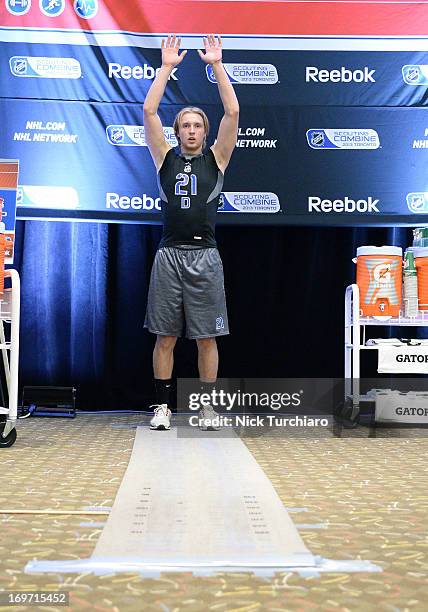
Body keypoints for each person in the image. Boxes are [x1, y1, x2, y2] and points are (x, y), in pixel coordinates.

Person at [143, 34, 239, 430]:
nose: (193, 130)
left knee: (206, 338)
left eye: (199, 125)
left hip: (205, 256)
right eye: (186, 125)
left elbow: (232, 113)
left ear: (205, 131)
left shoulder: (217, 158)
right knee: (165, 338)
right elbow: (149, 111)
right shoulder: (164, 157)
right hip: (169, 255)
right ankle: (163, 408)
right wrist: (166, 68)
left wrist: (216, 65)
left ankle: (205, 407)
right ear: (178, 131)